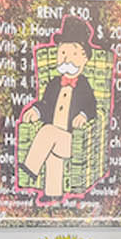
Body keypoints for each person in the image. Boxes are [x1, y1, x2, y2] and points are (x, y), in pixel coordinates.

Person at [22, 15, 99, 199]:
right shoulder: (54, 84)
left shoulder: (83, 85)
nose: (67, 60)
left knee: (48, 133)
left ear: (84, 58)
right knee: (52, 158)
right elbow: (46, 104)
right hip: (55, 140)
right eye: (62, 53)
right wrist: (36, 110)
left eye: (73, 54)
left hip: (74, 140)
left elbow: (92, 106)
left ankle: (29, 169)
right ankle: (52, 195)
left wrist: (83, 115)